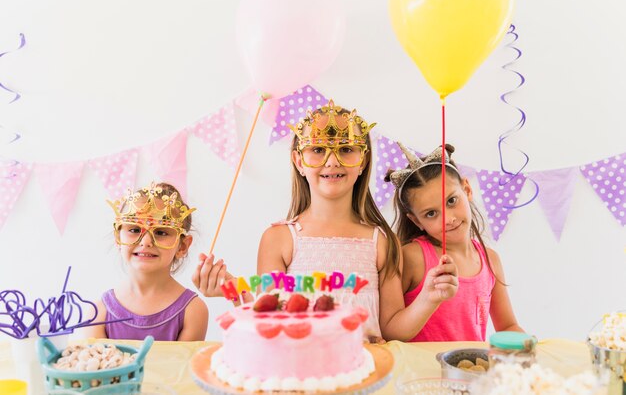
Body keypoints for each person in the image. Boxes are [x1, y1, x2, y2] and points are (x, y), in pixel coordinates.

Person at [193, 100, 457, 342]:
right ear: (298, 160)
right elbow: (269, 320)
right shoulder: (279, 240)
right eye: (318, 149)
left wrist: (428, 299)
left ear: (363, 161)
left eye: (346, 149)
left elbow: (392, 329)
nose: (332, 161)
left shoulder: (381, 242)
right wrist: (230, 291)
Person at [385, 143, 524, 341]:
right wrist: (428, 300)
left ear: (466, 189)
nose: (448, 219)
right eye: (431, 213)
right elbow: (390, 332)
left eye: (451, 201)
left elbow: (508, 326)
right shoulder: (412, 257)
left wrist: (527, 348)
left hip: (472, 370)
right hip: (424, 371)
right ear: (416, 221)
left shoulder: (490, 260)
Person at [87, 182, 208, 341]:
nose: (145, 241)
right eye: (134, 230)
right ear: (118, 238)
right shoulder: (98, 313)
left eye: (161, 232)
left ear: (183, 245)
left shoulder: (193, 311)